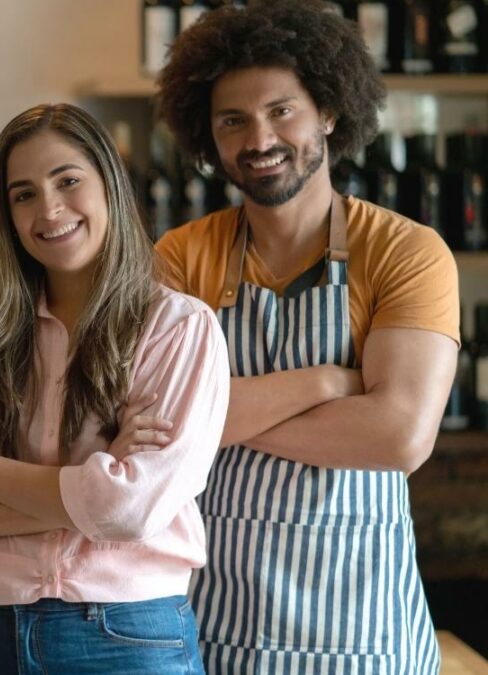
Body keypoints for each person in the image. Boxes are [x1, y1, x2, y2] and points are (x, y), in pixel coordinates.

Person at [154, 2, 458, 672]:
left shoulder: (406, 252)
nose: (259, 138)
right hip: (214, 625)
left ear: (327, 109)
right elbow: (150, 422)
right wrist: (325, 383)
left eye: (281, 110)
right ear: (208, 136)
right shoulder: (179, 257)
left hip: (365, 633)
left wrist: (212, 416)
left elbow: (399, 437)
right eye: (232, 120)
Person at [0, 103, 229, 674]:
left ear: (110, 184)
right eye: (23, 194)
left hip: (124, 636)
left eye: (68, 181)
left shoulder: (177, 329)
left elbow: (129, 508)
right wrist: (90, 488)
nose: (49, 210)